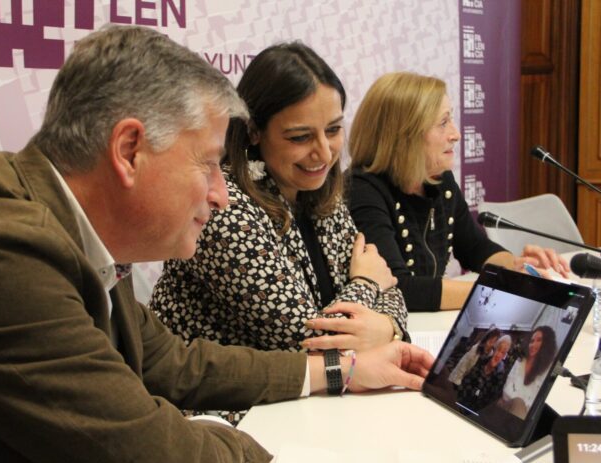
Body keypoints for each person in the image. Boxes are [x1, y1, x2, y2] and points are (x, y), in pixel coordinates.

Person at [0, 26, 435, 463]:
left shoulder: (68, 228)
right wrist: (236, 434)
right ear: (130, 151)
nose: (220, 193)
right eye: (209, 163)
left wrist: (341, 369)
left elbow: (171, 361)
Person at [150, 41, 408, 358]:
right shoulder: (225, 207)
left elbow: (392, 289)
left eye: (333, 130)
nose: (324, 153)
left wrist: (387, 327)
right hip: (225, 402)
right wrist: (368, 282)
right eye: (300, 137)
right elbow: (308, 340)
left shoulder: (322, 193)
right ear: (254, 131)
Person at [347, 72, 571, 311]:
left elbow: (475, 248)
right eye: (443, 123)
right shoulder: (363, 191)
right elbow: (399, 289)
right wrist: (500, 290)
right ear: (404, 134)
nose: (456, 134)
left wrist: (516, 268)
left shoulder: (439, 182)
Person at [498, 326, 558, 419]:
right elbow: (506, 390)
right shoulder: (520, 361)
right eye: (532, 341)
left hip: (523, 419)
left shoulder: (548, 371)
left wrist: (518, 402)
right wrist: (518, 402)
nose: (533, 344)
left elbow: (533, 406)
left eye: (539, 340)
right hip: (505, 406)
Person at [456, 335, 512, 411]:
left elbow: (488, 402)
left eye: (503, 353)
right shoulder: (481, 361)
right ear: (494, 349)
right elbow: (466, 380)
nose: (499, 355)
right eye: (499, 349)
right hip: (459, 400)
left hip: (473, 412)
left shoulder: (499, 378)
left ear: (503, 357)